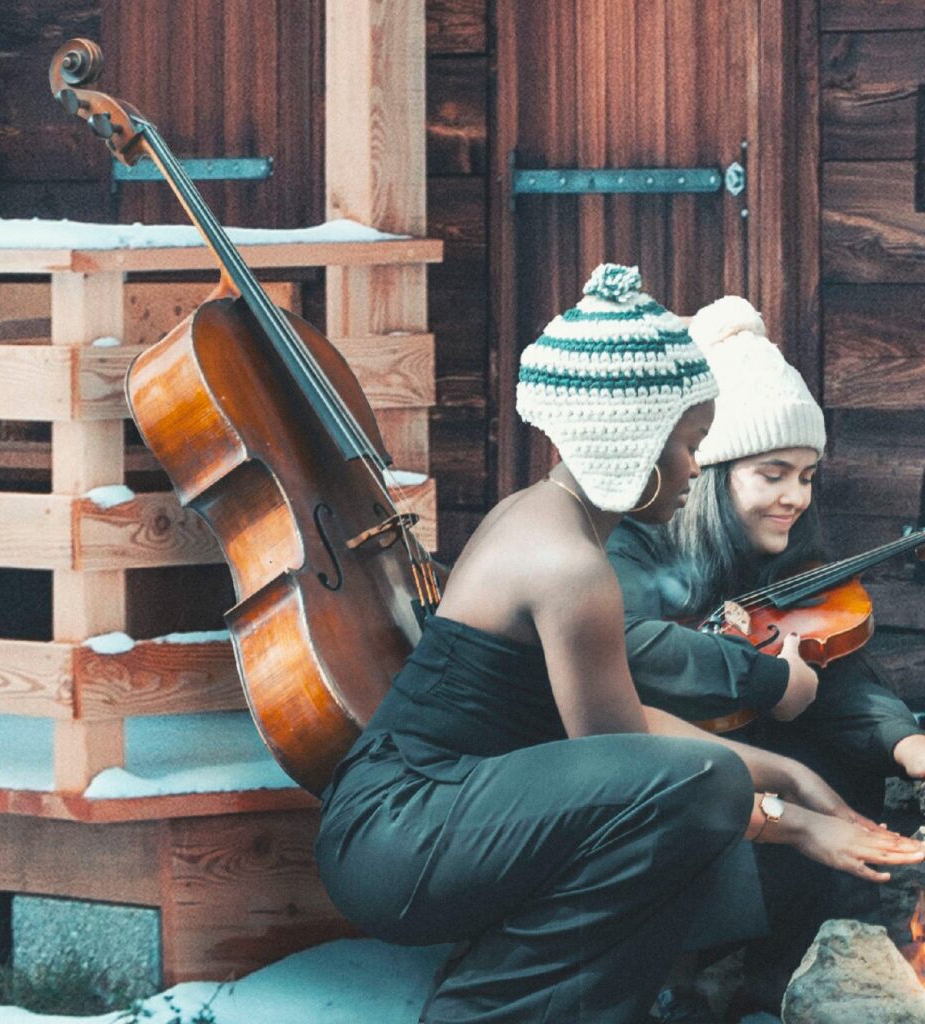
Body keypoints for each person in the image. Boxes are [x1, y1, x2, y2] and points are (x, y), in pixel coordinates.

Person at [315, 266, 924, 1024]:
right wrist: (797, 825)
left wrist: (794, 775)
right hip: (401, 834)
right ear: (634, 443)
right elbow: (645, 775)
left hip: (420, 820)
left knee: (696, 795)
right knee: (698, 796)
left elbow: (627, 737)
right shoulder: (569, 565)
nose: (696, 467)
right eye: (691, 444)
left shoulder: (543, 517)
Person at [606, 294, 925, 1013]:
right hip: (661, 779)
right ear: (712, 474)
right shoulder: (633, 548)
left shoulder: (782, 562)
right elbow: (628, 647)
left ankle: (778, 970)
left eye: (807, 477)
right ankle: (689, 974)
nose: (795, 498)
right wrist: (763, 676)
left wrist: (907, 744)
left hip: (751, 781)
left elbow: (836, 673)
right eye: (773, 473)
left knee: (842, 758)